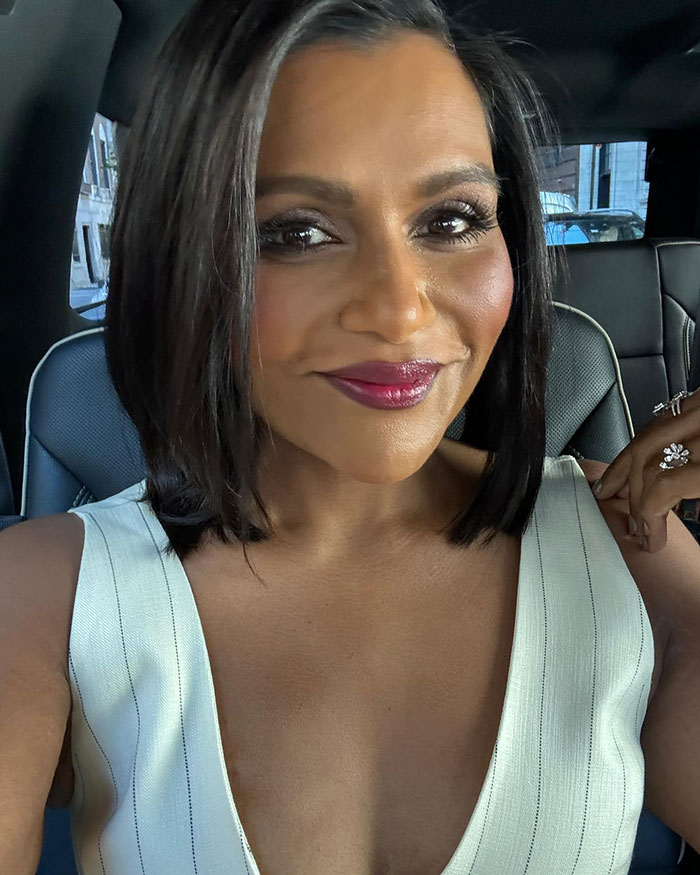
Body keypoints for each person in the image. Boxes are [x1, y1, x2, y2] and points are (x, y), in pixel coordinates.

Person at [3, 1, 700, 873]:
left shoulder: (632, 552)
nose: (399, 307)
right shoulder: (38, 599)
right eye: (295, 232)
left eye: (451, 219)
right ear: (185, 257)